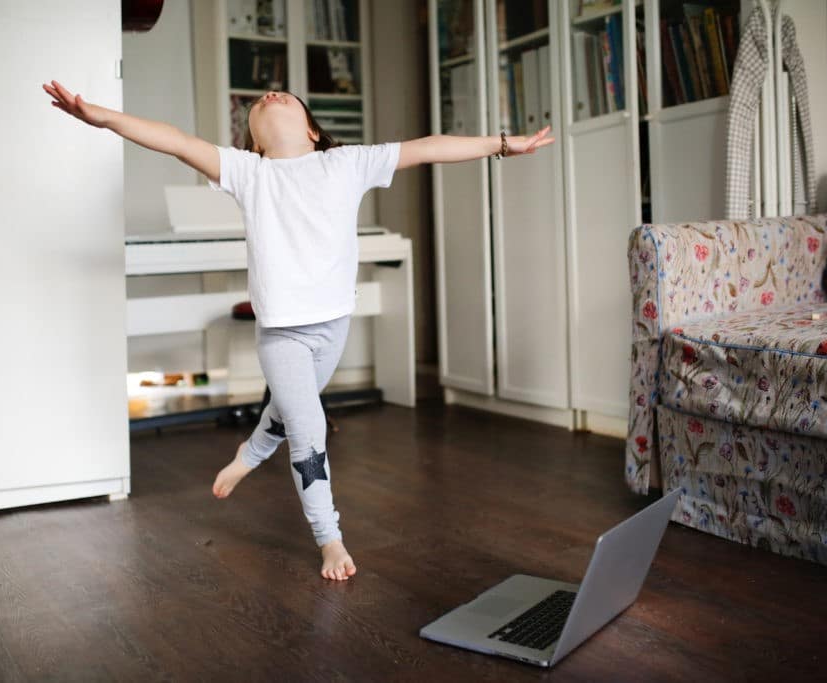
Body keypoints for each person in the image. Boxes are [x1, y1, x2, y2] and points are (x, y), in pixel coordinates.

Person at [42, 80, 554, 581]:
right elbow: (174, 140)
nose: (271, 93)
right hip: (283, 334)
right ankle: (329, 537)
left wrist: (504, 145)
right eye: (261, 104)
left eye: (285, 97)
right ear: (255, 141)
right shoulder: (248, 172)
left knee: (287, 411)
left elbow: (427, 148)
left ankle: (249, 454)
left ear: (312, 130)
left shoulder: (346, 162)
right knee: (308, 429)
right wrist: (102, 117)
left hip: (334, 326)